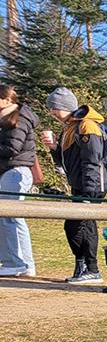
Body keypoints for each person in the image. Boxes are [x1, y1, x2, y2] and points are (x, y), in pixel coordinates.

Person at [43, 87, 107, 283]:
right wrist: (54, 148)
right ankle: (83, 266)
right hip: (79, 184)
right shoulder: (69, 127)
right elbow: (67, 162)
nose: (52, 113)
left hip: (91, 185)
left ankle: (91, 269)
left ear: (65, 106)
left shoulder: (87, 126)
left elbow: (92, 161)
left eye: (54, 108)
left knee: (80, 226)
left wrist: (89, 192)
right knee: (77, 226)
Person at [0, 84, 39, 277]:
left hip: (15, 171)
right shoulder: (6, 118)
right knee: (13, 217)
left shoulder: (19, 118)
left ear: (7, 99)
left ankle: (14, 263)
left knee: (8, 216)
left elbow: (12, 148)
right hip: (11, 170)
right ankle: (25, 264)